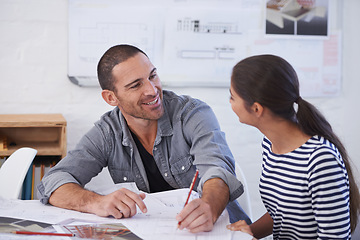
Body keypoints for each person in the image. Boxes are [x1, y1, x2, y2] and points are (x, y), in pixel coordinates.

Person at [38, 44, 250, 233]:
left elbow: (217, 169)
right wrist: (97, 203)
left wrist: (209, 207)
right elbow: (53, 182)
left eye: (152, 76)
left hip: (222, 232)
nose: (152, 89)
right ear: (111, 97)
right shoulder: (107, 132)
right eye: (136, 85)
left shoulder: (192, 113)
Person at [226, 54, 360, 239]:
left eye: (232, 97)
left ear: (256, 109)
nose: (230, 103)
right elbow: (282, 213)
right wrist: (250, 233)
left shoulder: (320, 160)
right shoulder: (270, 145)